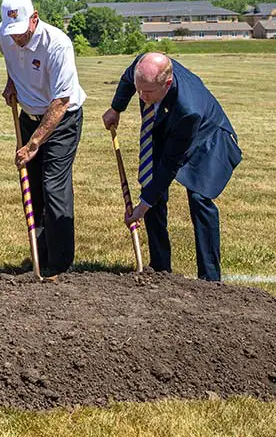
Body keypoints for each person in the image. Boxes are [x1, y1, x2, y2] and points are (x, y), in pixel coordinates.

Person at [102, 52, 241, 281]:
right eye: (140, 90)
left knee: (199, 198)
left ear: (166, 83)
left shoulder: (189, 110)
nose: (142, 96)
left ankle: (210, 279)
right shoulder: (143, 69)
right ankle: (160, 269)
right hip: (165, 125)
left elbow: (169, 165)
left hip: (209, 137)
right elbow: (128, 80)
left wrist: (141, 208)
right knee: (151, 185)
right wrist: (116, 108)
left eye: (147, 92)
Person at [0, 0, 86, 276]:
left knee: (53, 188)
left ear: (35, 18)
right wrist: (11, 82)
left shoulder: (57, 44)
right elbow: (12, 61)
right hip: (29, 116)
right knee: (33, 188)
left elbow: (61, 101)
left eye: (21, 32)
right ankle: (40, 256)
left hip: (62, 120)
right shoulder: (4, 34)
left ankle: (59, 265)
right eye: (12, 33)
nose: (17, 38)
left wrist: (35, 143)